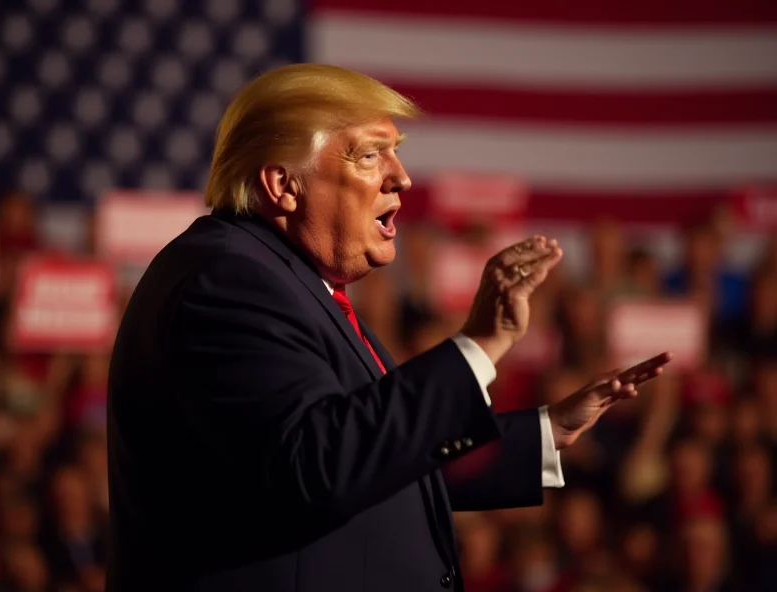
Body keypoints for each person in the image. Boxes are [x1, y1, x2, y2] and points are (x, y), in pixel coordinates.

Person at [105, 64, 671, 592]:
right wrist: (476, 346)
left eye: (395, 154)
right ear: (283, 185)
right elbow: (319, 463)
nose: (401, 177)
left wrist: (544, 434)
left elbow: (380, 454)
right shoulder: (228, 281)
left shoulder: (296, 285)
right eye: (371, 156)